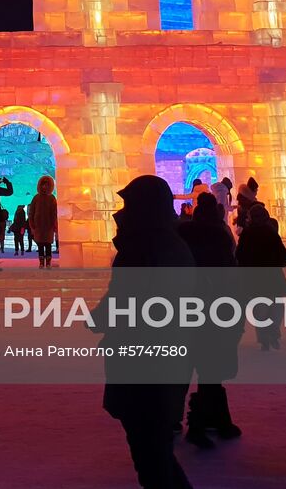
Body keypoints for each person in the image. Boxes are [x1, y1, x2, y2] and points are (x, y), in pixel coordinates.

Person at [98, 176, 196, 489]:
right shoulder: (166, 243)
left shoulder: (143, 248)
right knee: (156, 454)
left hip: (146, 365)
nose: (121, 212)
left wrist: (103, 318)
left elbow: (129, 301)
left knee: (151, 457)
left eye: (129, 204)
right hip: (161, 363)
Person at [177, 191, 244, 448]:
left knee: (191, 369)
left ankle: (203, 420)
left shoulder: (184, 233)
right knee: (211, 370)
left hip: (188, 308)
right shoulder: (219, 235)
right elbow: (228, 272)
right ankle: (201, 423)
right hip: (214, 307)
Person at [235, 203, 286, 350]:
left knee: (260, 308)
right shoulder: (271, 233)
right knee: (276, 305)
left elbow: (240, 256)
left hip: (254, 278)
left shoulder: (246, 234)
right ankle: (273, 331)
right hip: (273, 276)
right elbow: (283, 256)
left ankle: (264, 336)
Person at [27, 176, 59, 269]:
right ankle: (41, 262)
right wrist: (31, 223)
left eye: (47, 185)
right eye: (43, 185)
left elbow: (54, 212)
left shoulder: (52, 198)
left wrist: (54, 224)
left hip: (48, 225)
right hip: (39, 225)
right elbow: (31, 212)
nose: (44, 187)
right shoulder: (36, 198)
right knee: (40, 244)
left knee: (48, 244)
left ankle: (48, 262)